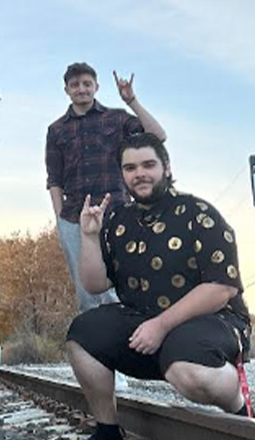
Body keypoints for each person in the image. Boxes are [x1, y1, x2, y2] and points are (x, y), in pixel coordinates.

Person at [66, 133, 251, 440]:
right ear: (122, 174)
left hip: (214, 323)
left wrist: (161, 325)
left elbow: (222, 289)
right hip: (145, 323)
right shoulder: (117, 220)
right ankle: (108, 431)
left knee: (186, 367)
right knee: (83, 333)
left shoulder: (200, 214)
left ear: (166, 166)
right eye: (130, 168)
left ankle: (239, 411)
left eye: (148, 164)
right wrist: (88, 237)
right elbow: (95, 284)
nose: (139, 173)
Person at [45, 62, 167, 313]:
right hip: (74, 217)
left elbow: (158, 136)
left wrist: (131, 100)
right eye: (75, 85)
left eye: (87, 84)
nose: (82, 89)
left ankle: (126, 341)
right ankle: (93, 346)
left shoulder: (116, 118)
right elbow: (54, 179)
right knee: (86, 290)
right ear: (66, 89)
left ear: (96, 87)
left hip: (117, 213)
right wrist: (60, 220)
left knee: (121, 281)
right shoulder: (56, 130)